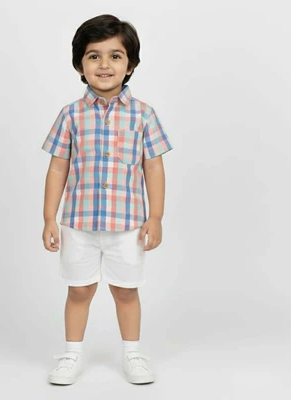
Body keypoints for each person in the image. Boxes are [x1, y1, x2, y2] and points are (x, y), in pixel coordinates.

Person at [41, 14, 173, 385]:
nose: (104, 64)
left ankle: (133, 354)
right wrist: (49, 217)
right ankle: (72, 354)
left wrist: (156, 216)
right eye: (93, 56)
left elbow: (153, 168)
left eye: (115, 56)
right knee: (79, 289)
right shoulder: (70, 115)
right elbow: (57, 167)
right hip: (78, 223)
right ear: (80, 66)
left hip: (128, 224)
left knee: (126, 291)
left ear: (130, 65)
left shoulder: (143, 115)